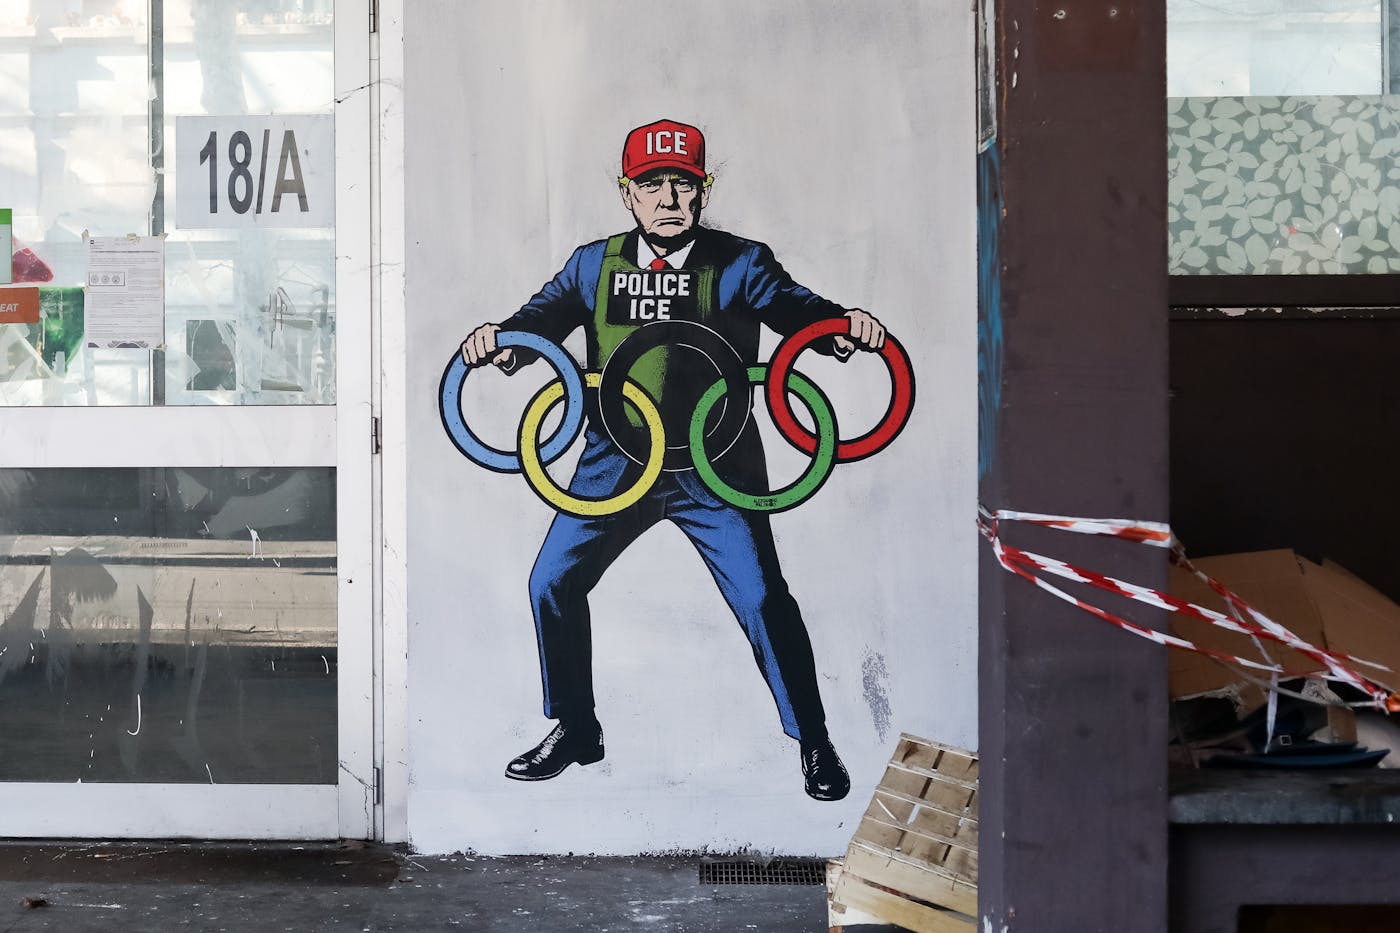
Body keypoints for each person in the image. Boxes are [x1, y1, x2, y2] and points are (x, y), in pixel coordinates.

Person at [460, 119, 888, 801]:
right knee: (551, 582)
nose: (668, 197)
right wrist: (497, 345)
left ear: (703, 190)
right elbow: (529, 329)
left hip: (715, 467)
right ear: (627, 194)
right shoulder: (591, 265)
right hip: (615, 461)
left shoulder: (742, 262)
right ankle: (576, 727)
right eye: (652, 184)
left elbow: (803, 315)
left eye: (683, 184)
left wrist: (846, 329)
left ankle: (814, 739)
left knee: (765, 600)